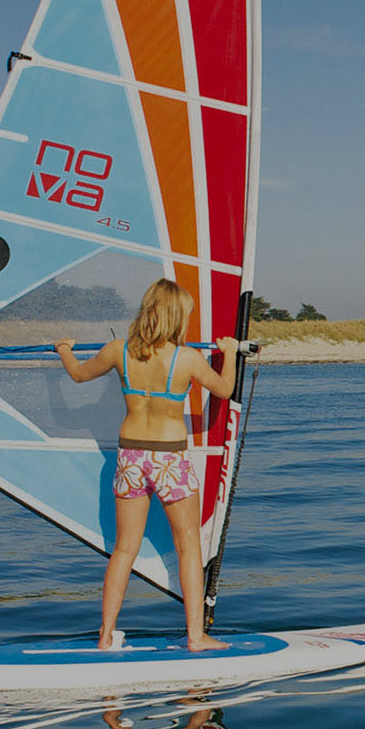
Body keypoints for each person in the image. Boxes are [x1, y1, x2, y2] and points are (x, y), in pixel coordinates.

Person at [57, 278, 238, 651]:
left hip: (131, 457)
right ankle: (195, 635)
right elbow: (224, 389)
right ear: (176, 317)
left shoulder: (117, 351)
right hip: (169, 458)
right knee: (189, 545)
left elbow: (77, 374)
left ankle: (105, 636)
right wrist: (230, 352)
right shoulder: (186, 358)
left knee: (124, 548)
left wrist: (64, 350)